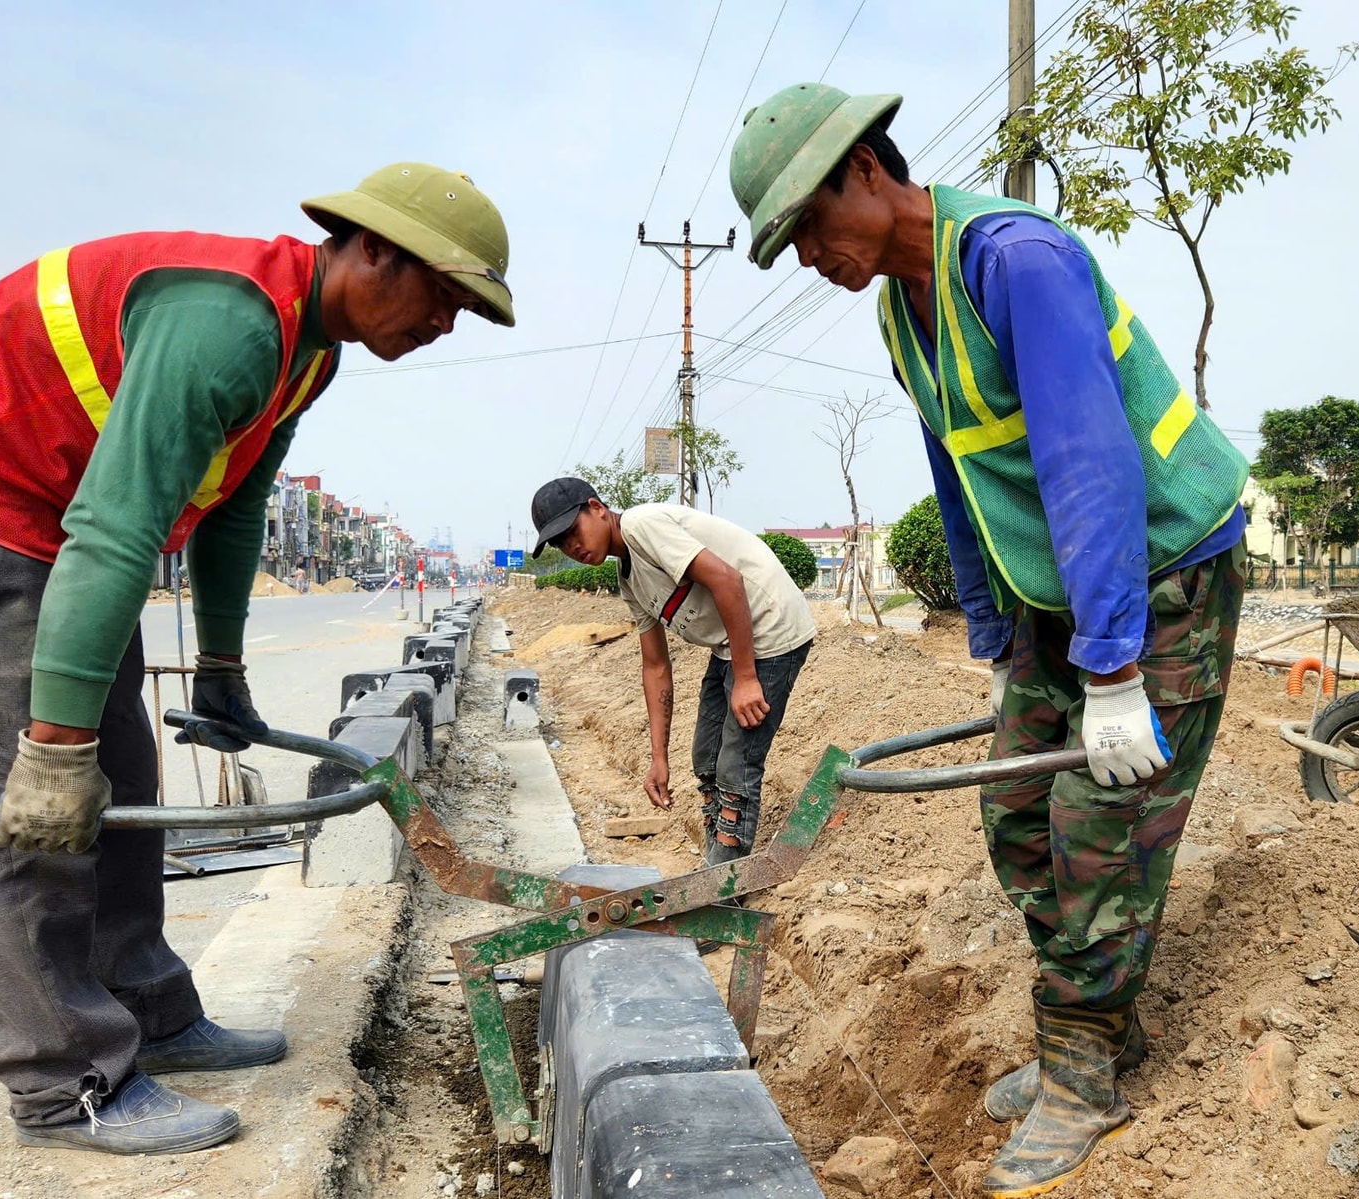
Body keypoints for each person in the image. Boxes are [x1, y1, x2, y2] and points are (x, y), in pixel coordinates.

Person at [0, 163, 515, 1155]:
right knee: (25, 802)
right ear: (371, 248)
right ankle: (66, 1078)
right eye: (444, 298)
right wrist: (53, 740)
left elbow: (234, 502)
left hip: (47, 520)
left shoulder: (304, 349)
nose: (445, 328)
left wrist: (219, 664)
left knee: (117, 774)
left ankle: (149, 1007)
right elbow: (121, 530)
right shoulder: (232, 326)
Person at [729, 84, 1250, 1197]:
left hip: (1161, 579)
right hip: (1060, 606)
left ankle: (1082, 1072)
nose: (812, 255)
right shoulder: (898, 305)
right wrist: (994, 624)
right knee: (1017, 813)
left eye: (813, 226)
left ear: (867, 168)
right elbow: (958, 464)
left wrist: (1112, 672)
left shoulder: (1016, 261)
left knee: (1099, 830)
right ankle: (1099, 1028)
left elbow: (1088, 466)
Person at [528, 478, 815, 864]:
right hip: (731, 643)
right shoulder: (628, 579)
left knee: (736, 764)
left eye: (572, 532)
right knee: (705, 758)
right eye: (561, 544)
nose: (572, 547)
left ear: (596, 508)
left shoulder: (641, 525)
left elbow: (728, 580)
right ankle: (716, 859)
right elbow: (656, 665)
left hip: (772, 628)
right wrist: (658, 758)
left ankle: (724, 880)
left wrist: (746, 679)